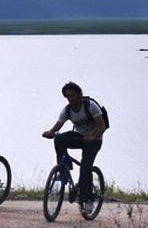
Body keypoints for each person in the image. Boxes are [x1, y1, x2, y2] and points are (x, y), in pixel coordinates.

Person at [41, 82, 106, 215]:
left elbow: (102, 126)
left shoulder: (90, 106)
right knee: (59, 138)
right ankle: (62, 168)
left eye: (73, 95)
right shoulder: (67, 110)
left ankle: (88, 200)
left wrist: (92, 137)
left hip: (94, 140)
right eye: (68, 96)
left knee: (85, 168)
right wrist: (50, 132)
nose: (70, 98)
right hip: (80, 137)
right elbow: (58, 126)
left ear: (79, 95)